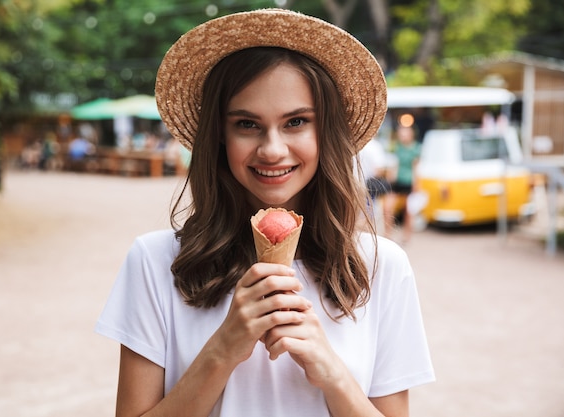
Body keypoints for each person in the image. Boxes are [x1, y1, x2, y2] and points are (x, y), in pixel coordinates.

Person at [96, 9, 434, 417]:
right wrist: (221, 351)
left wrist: (332, 374)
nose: (272, 149)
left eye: (295, 121)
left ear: (325, 132)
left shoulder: (380, 268)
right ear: (220, 136)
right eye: (247, 124)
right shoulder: (156, 262)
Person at [384, 124, 422, 244]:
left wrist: (417, 183)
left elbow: (416, 167)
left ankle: (407, 235)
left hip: (409, 182)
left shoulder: (416, 148)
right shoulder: (396, 147)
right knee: (388, 208)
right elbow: (391, 162)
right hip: (396, 182)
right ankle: (388, 234)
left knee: (408, 211)